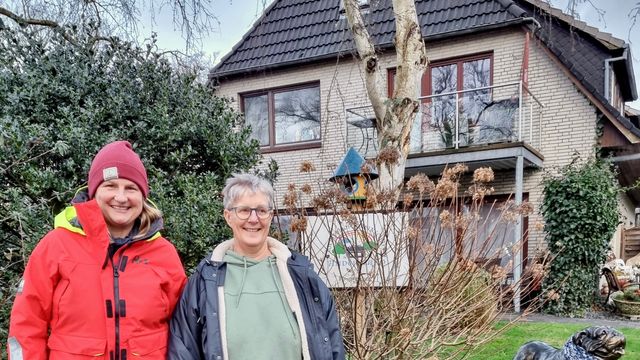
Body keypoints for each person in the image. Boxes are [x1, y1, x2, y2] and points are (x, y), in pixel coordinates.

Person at [7, 140, 187, 360]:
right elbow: (27, 323)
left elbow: (183, 331)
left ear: (143, 196)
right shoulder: (56, 245)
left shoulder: (163, 253)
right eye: (110, 186)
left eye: (131, 188)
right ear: (93, 192)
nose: (121, 198)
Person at [168, 173, 345, 360]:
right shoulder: (205, 280)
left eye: (261, 210)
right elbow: (183, 350)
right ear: (228, 216)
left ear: (270, 216)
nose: (253, 219)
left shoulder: (301, 276)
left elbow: (331, 345)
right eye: (244, 210)